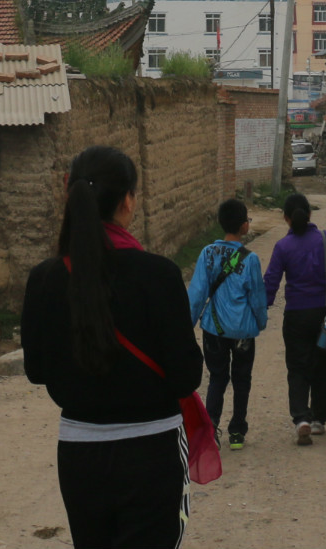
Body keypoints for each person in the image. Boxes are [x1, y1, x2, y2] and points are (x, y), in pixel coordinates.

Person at [22, 145, 203, 548]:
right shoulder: (159, 275)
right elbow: (185, 376)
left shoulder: (45, 279)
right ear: (126, 201)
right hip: (152, 450)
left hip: (80, 452)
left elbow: (36, 370)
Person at [262, 192, 326, 447]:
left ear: (286, 218)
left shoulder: (282, 247)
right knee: (322, 365)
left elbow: (271, 283)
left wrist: (260, 311)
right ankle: (319, 419)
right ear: (310, 214)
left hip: (296, 316)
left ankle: (301, 417)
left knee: (297, 367)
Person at [185, 198, 268, 451]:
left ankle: (211, 428)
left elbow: (197, 294)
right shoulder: (250, 259)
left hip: (214, 329)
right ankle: (237, 433)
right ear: (244, 226)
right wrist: (260, 322)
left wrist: (186, 325)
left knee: (218, 378)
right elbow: (256, 297)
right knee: (242, 379)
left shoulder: (207, 253)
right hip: (243, 331)